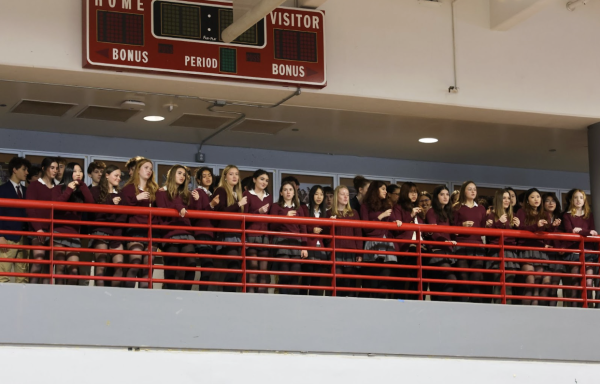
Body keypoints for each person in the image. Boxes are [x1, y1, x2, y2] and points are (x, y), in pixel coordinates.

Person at [51, 162, 95, 285]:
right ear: (69, 173)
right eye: (75, 171)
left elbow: (91, 204)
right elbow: (57, 206)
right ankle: (58, 298)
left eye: (80, 171)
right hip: (59, 232)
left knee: (73, 270)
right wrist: (69, 189)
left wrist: (82, 185)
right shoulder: (58, 189)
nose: (78, 174)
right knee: (59, 268)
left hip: (75, 234)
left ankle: (71, 300)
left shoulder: (81, 191)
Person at [516, 188, 560, 305]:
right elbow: (520, 229)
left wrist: (553, 226)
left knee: (537, 283)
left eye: (538, 197)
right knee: (530, 280)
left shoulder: (544, 214)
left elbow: (547, 231)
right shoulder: (521, 212)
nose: (536, 199)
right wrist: (536, 225)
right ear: (527, 200)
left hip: (540, 250)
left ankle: (535, 313)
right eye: (533, 197)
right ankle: (525, 312)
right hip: (526, 248)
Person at [120, 158, 159, 289]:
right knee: (135, 264)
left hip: (150, 231)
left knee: (148, 269)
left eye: (151, 169)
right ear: (138, 170)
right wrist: (137, 198)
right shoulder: (128, 188)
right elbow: (122, 207)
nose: (149, 171)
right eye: (146, 168)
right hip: (135, 230)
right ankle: (127, 298)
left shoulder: (154, 189)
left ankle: (146, 301)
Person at [156, 165, 196, 290]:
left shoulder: (186, 194)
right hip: (170, 231)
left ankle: (186, 294)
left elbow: (192, 214)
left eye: (184, 175)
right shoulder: (161, 192)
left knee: (191, 263)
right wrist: (178, 206)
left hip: (185, 231)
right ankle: (169, 294)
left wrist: (196, 200)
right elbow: (163, 211)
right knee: (171, 264)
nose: (182, 177)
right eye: (179, 173)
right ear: (172, 175)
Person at [213, 165, 247, 292]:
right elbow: (221, 212)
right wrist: (238, 204)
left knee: (236, 269)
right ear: (225, 177)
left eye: (237, 174)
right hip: (226, 234)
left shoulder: (238, 194)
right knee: (233, 266)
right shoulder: (221, 190)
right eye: (231, 174)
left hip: (237, 235)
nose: (234, 177)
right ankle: (227, 296)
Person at [269, 180, 307, 295]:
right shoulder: (276, 206)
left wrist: (304, 247)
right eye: (285, 190)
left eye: (290, 190)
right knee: (284, 274)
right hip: (281, 242)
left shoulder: (299, 208)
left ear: (294, 193)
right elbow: (271, 225)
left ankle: (294, 303)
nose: (288, 192)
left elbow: (303, 228)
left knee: (295, 275)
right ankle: (283, 301)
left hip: (296, 242)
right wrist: (284, 217)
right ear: (281, 193)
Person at [89, 165, 125, 287]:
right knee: (101, 267)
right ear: (107, 175)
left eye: (120, 176)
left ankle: (112, 298)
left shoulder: (120, 194)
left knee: (119, 266)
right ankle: (99, 299)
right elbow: (95, 214)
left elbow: (123, 217)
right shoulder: (95, 191)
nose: (119, 178)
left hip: (116, 234)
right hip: (101, 231)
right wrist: (110, 203)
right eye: (116, 175)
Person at [452, 181, 487, 302]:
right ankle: (463, 305)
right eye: (470, 189)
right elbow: (452, 227)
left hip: (477, 245)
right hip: (462, 244)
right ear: (463, 191)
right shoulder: (457, 207)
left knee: (476, 278)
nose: (473, 191)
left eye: (475, 189)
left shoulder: (481, 208)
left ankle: (475, 306)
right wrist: (462, 225)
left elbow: (483, 229)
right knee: (463, 277)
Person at [360, 181, 396, 298]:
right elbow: (366, 228)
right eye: (383, 189)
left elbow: (392, 221)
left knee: (385, 279)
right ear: (376, 190)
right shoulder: (365, 206)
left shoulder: (388, 205)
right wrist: (380, 217)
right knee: (372, 281)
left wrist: (397, 222)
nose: (386, 192)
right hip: (373, 243)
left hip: (387, 244)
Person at [562, 190, 597, 307]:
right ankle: (574, 311)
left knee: (588, 282)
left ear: (584, 200)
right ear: (572, 200)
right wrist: (585, 232)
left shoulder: (589, 215)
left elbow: (593, 232)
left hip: (588, 252)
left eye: (581, 197)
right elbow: (569, 231)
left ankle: (589, 310)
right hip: (574, 252)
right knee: (575, 282)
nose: (578, 200)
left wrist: (580, 231)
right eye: (575, 198)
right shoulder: (567, 215)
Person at [326, 185, 363, 297]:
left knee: (349, 282)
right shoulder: (329, 213)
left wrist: (359, 253)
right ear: (337, 196)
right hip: (336, 250)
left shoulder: (354, 213)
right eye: (343, 194)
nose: (346, 197)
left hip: (350, 251)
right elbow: (325, 234)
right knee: (337, 280)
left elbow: (358, 234)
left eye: (347, 194)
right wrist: (329, 223)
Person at [26, 157, 58, 284]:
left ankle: (45, 297)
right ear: (44, 168)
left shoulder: (58, 187)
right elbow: (30, 208)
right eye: (52, 167)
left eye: (56, 168)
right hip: (38, 228)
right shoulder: (34, 185)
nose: (55, 170)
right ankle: (30, 292)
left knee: (49, 266)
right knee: (38, 260)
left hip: (54, 230)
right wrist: (38, 228)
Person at [485, 189, 520, 302]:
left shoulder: (513, 216)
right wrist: (498, 222)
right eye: (504, 198)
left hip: (511, 252)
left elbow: (518, 236)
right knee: (498, 284)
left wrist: (519, 226)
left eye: (509, 198)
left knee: (509, 284)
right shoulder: (492, 215)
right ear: (499, 200)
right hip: (497, 252)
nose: (507, 200)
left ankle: (507, 313)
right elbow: (489, 236)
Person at [0, 157, 31, 284]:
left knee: (23, 278)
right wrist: (0, 235)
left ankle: (22, 303)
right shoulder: (2, 190)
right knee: (3, 277)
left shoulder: (26, 191)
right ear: (14, 170)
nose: (27, 172)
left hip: (24, 238)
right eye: (24, 169)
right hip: (7, 238)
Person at [425, 186, 457, 301]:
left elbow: (451, 233)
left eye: (447, 194)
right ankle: (443, 309)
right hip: (436, 251)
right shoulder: (431, 211)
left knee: (439, 285)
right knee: (450, 279)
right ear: (436, 197)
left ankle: (440, 311)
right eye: (442, 194)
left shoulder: (448, 213)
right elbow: (433, 231)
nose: (445, 197)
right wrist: (445, 241)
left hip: (449, 252)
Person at [243, 169, 272, 293]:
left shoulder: (269, 197)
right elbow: (244, 216)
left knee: (263, 273)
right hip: (251, 235)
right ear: (254, 179)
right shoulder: (247, 194)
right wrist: (258, 212)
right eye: (262, 179)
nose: (264, 182)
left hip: (264, 236)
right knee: (253, 269)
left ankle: (263, 302)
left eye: (266, 180)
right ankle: (250, 300)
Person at [390, 182, 422, 298]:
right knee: (403, 278)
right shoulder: (398, 207)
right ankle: (400, 303)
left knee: (418, 278)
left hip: (420, 246)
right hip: (406, 247)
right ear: (405, 193)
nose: (414, 195)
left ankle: (416, 303)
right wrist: (411, 215)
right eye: (411, 192)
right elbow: (398, 228)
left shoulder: (418, 207)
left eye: (415, 192)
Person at [190, 167, 218, 291]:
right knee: (207, 265)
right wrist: (211, 205)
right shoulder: (197, 192)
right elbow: (197, 214)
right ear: (198, 180)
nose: (208, 178)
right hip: (202, 233)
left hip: (211, 234)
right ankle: (202, 294)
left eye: (210, 175)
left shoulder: (211, 194)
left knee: (208, 267)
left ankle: (203, 292)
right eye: (204, 176)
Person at [300, 185, 328, 295]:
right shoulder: (304, 209)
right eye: (316, 194)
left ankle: (314, 303)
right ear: (312, 195)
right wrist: (312, 229)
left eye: (321, 194)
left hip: (320, 247)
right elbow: (302, 227)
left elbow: (326, 230)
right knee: (306, 277)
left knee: (317, 278)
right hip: (309, 245)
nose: (319, 197)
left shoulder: (325, 212)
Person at [542, 192, 566, 306]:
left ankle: (553, 314)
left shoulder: (561, 218)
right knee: (545, 285)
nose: (551, 203)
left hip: (557, 255)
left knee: (554, 287)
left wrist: (562, 247)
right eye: (547, 200)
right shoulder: (539, 216)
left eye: (553, 200)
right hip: (544, 254)